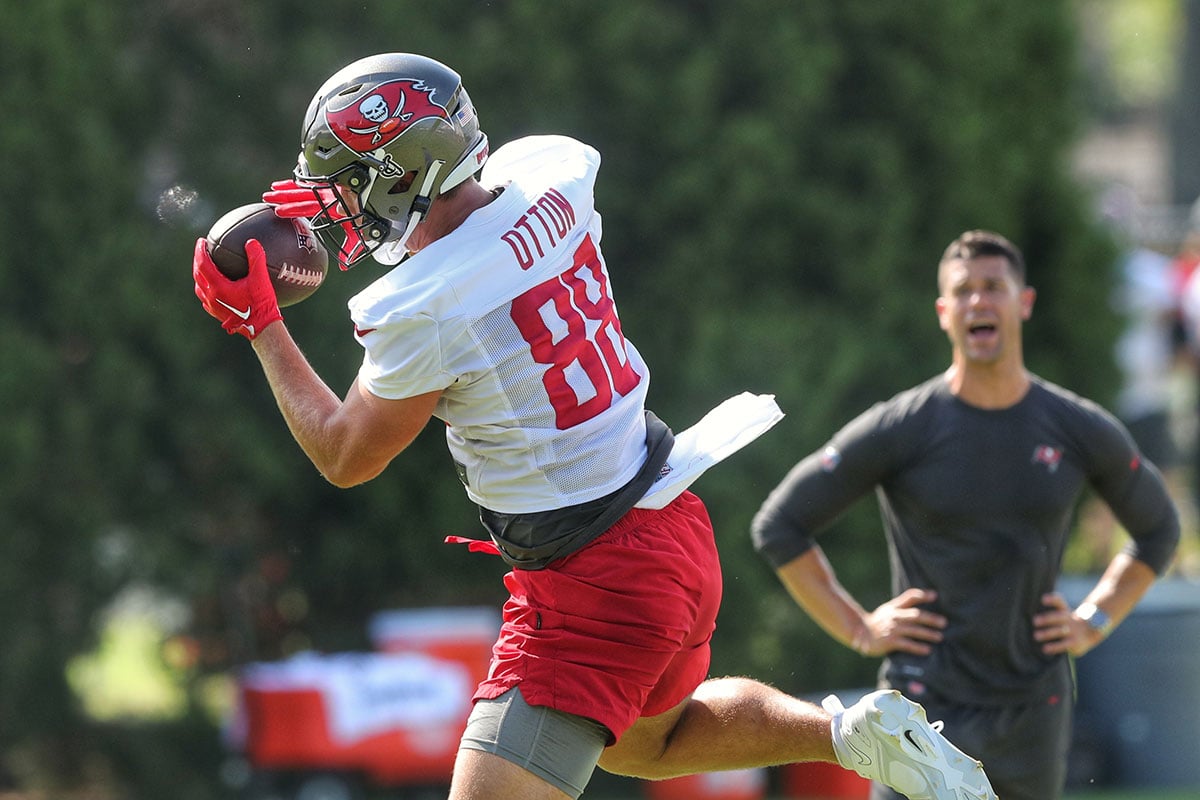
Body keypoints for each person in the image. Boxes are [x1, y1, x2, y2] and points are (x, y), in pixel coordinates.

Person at [192, 53, 996, 800]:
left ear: (408, 173)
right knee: (647, 744)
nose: (338, 202)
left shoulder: (423, 306)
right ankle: (849, 732)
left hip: (593, 575)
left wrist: (261, 325)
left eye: (353, 179)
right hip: (670, 519)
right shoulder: (552, 174)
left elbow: (343, 454)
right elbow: (486, 245)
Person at [751, 229, 1181, 800]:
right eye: (964, 290)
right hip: (918, 710)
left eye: (994, 287)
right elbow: (779, 526)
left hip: (1034, 710)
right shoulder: (903, 426)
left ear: (1022, 303)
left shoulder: (1076, 427)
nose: (980, 301)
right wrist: (859, 627)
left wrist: (1093, 620)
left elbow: (1159, 529)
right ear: (943, 311)